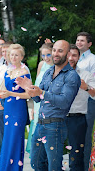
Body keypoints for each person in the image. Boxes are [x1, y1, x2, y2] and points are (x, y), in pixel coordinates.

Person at [16, 40, 81, 171]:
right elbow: (37, 98)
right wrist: (29, 88)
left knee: (54, 166)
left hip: (55, 126)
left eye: (60, 51)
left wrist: (42, 92)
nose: (56, 54)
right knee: (35, 163)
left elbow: (64, 102)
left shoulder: (72, 76)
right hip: (40, 124)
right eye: (54, 50)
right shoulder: (48, 72)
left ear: (68, 54)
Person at [0, 44, 31, 170]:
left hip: (18, 108)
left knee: (15, 138)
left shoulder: (25, 72)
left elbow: (28, 94)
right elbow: (3, 89)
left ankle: (14, 168)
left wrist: (10, 94)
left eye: (16, 55)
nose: (14, 57)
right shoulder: (8, 71)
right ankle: (4, 167)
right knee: (7, 139)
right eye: (11, 55)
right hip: (8, 107)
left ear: (21, 56)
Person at [67, 44, 95, 171]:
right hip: (56, 118)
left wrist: (86, 88)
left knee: (76, 156)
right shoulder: (53, 72)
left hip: (76, 119)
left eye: (74, 55)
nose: (71, 58)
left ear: (79, 58)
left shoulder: (85, 75)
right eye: (68, 54)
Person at [26, 42, 53, 154]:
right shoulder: (41, 65)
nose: (45, 58)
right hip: (38, 102)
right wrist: (32, 106)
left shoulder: (56, 67)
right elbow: (36, 85)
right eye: (43, 55)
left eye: (48, 55)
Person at [75, 32, 95, 170]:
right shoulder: (75, 58)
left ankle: (85, 166)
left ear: (89, 44)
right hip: (75, 103)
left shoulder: (92, 60)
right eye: (77, 40)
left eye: (82, 40)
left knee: (87, 135)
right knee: (77, 134)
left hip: (88, 101)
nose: (79, 43)